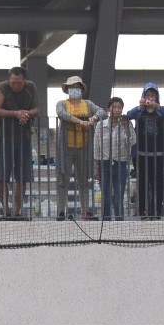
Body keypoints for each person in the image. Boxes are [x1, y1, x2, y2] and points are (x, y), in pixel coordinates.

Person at [54, 76, 105, 220]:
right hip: (66, 148)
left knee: (84, 181)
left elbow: (102, 111)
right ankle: (61, 211)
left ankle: (85, 211)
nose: (74, 90)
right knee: (62, 180)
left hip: (84, 148)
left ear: (82, 90)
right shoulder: (61, 103)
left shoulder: (88, 104)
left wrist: (93, 118)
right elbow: (61, 114)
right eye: (71, 87)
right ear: (67, 89)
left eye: (77, 87)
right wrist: (80, 121)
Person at [0, 66, 39, 219]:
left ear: (25, 80)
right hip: (4, 137)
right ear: (8, 79)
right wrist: (15, 114)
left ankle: (17, 211)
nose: (16, 85)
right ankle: (6, 209)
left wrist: (26, 114)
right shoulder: (2, 88)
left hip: (24, 137)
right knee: (1, 175)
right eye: (13, 82)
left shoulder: (31, 87)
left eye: (19, 82)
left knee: (22, 176)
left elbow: (37, 109)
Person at [126, 83, 164, 220]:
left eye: (153, 95)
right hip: (141, 154)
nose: (150, 98)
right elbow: (128, 115)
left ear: (156, 97)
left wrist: (156, 106)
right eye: (147, 95)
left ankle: (157, 212)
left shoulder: (161, 111)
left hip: (159, 155)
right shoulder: (139, 112)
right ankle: (143, 212)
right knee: (143, 184)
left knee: (158, 184)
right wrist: (140, 106)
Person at [93, 97, 134, 221]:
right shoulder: (101, 125)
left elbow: (132, 142)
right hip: (104, 163)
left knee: (118, 198)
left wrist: (126, 127)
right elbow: (96, 146)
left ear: (122, 109)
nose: (116, 109)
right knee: (105, 197)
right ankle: (106, 222)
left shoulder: (127, 124)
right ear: (109, 109)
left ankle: (119, 222)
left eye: (119, 107)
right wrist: (96, 166)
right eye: (114, 107)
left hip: (121, 164)